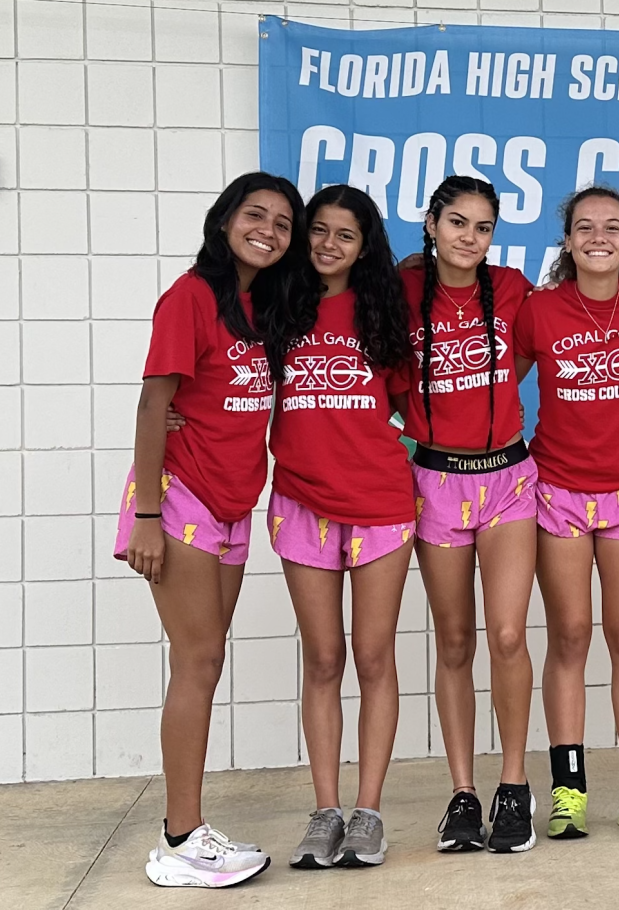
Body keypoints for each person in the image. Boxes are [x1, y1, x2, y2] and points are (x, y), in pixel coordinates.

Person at [116, 172, 309, 887]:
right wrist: (145, 516)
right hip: (180, 501)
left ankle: (187, 830)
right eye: (255, 214)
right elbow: (151, 404)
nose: (269, 228)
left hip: (233, 504)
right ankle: (179, 838)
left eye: (283, 222)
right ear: (224, 220)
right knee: (196, 662)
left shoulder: (262, 306)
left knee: (206, 659)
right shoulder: (190, 298)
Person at [267, 185, 416, 868]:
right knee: (323, 659)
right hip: (301, 504)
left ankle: (369, 813)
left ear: (367, 246)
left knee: (373, 656)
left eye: (345, 235)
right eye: (318, 231)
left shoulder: (384, 310)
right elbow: (232, 382)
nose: (329, 244)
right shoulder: (278, 306)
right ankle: (324, 812)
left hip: (381, 506)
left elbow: (414, 409)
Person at [514, 186, 619, 839]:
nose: (598, 236)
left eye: (612, 226)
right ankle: (569, 787)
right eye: (585, 226)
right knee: (570, 635)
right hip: (557, 490)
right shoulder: (539, 310)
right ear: (568, 240)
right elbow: (490, 378)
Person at [400, 175, 539, 854]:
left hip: (509, 480)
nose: (470, 238)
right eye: (457, 222)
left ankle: (514, 788)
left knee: (508, 636)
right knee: (454, 643)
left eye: (483, 228)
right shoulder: (400, 293)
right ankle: (463, 793)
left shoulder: (513, 289)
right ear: (431, 223)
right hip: (436, 480)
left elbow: (580, 344)